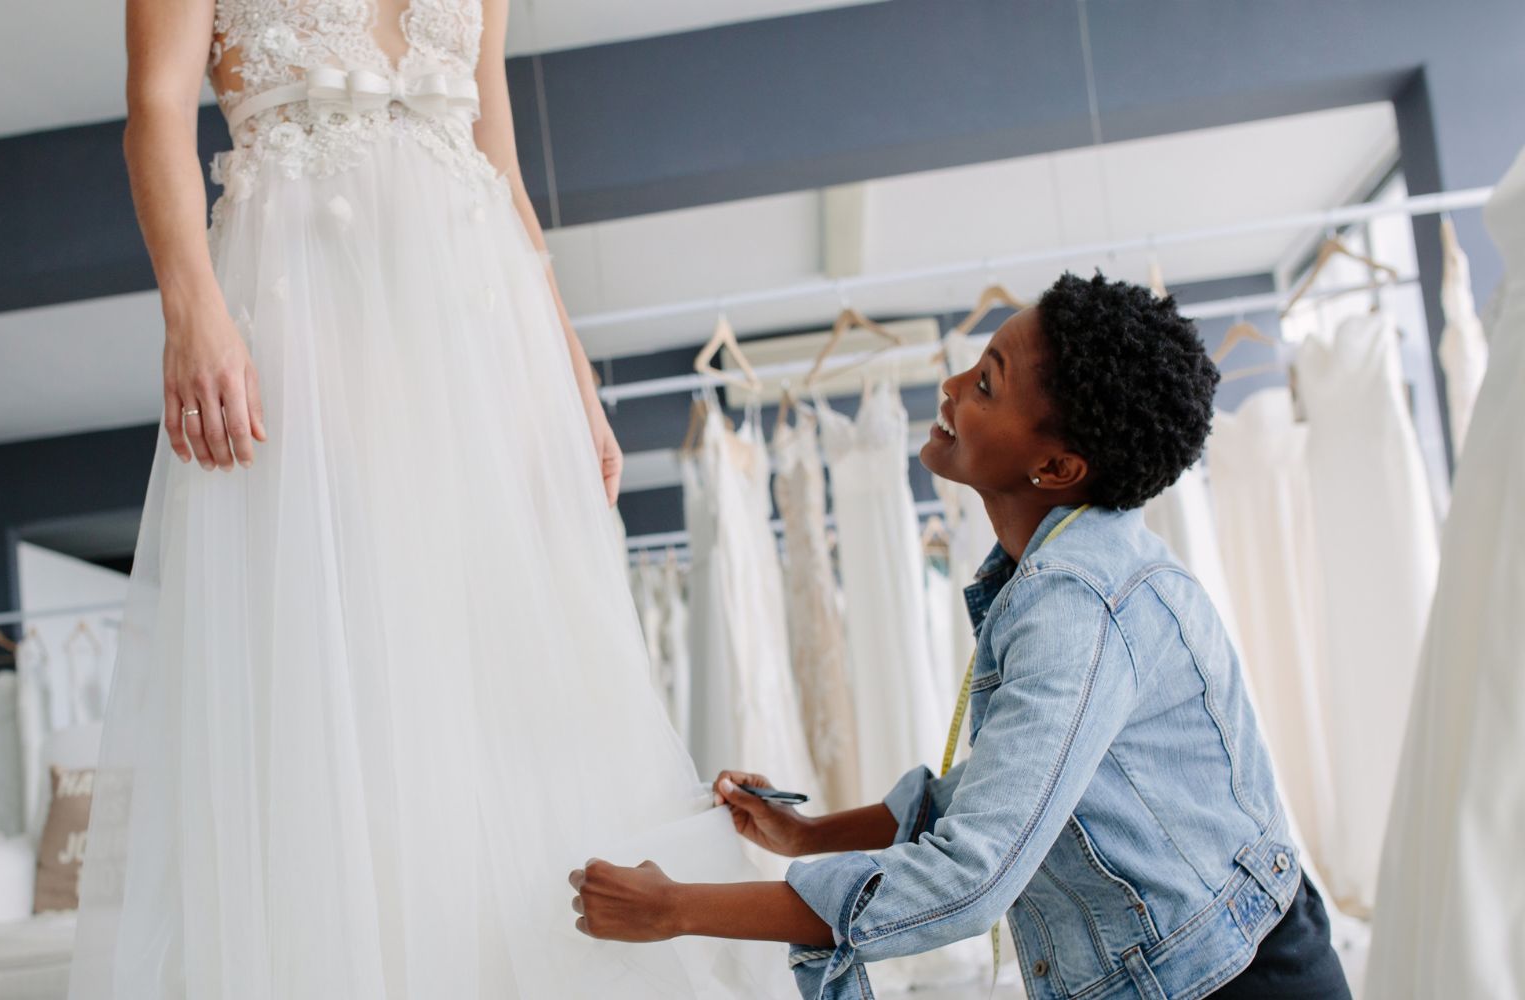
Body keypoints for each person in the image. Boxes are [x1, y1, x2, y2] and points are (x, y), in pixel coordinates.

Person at [69, 0, 786, 997]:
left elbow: (500, 167)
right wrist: (189, 309)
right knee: (346, 659)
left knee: (514, 666)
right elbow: (153, 110)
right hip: (304, 310)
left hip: (481, 335)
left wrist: (573, 378)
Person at [572, 274, 1353, 1000]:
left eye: (984, 384)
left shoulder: (1074, 603)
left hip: (1233, 982)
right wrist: (806, 833)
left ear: (1055, 464)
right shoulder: (1056, 568)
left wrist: (675, 908)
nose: (947, 390)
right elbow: (995, 794)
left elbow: (969, 880)